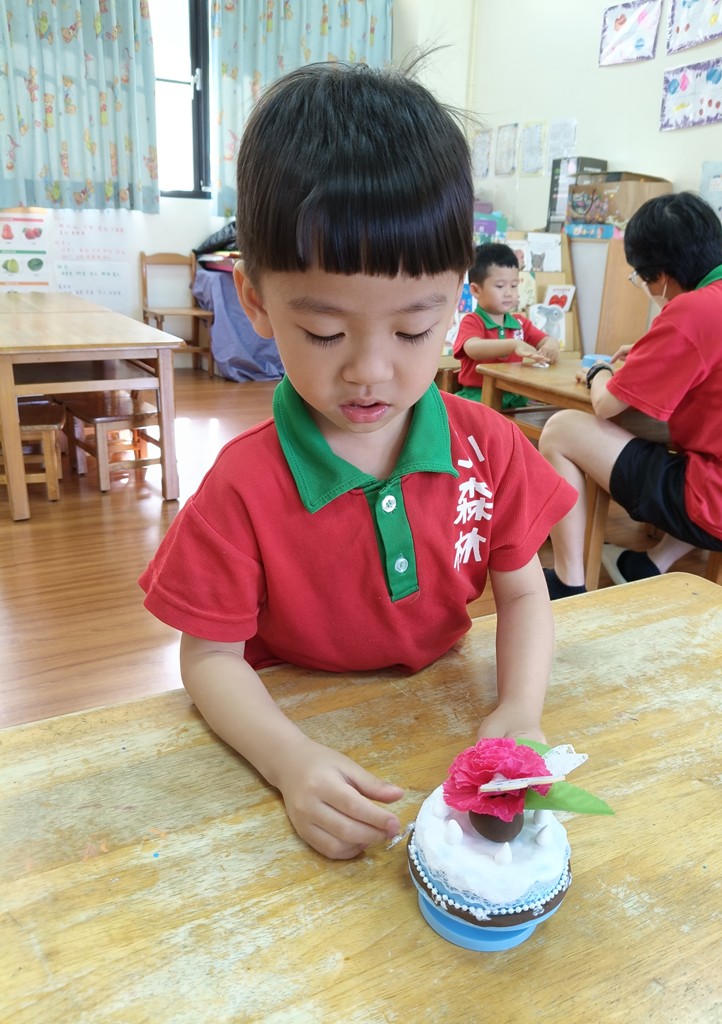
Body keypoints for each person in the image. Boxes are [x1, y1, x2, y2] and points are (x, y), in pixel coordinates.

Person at [139, 62, 577, 860]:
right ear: (256, 299)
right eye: (326, 332)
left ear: (457, 298)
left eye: (413, 330)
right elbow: (208, 657)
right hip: (295, 717)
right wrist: (287, 760)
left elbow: (523, 595)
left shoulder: (489, 446)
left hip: (436, 713)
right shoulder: (242, 485)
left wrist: (520, 709)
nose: (371, 370)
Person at [537, 191, 722, 601]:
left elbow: (605, 405)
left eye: (640, 278)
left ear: (659, 277)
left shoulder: (691, 311)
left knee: (561, 429)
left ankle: (568, 581)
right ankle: (646, 565)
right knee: (706, 448)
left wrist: (601, 371)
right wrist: (652, 351)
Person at [452, 242, 561, 409]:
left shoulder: (520, 323)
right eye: (500, 286)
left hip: (515, 397)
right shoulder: (472, 321)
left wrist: (550, 346)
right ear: (476, 290)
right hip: (479, 397)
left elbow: (546, 340)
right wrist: (513, 345)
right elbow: (473, 348)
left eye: (514, 285)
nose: (509, 292)